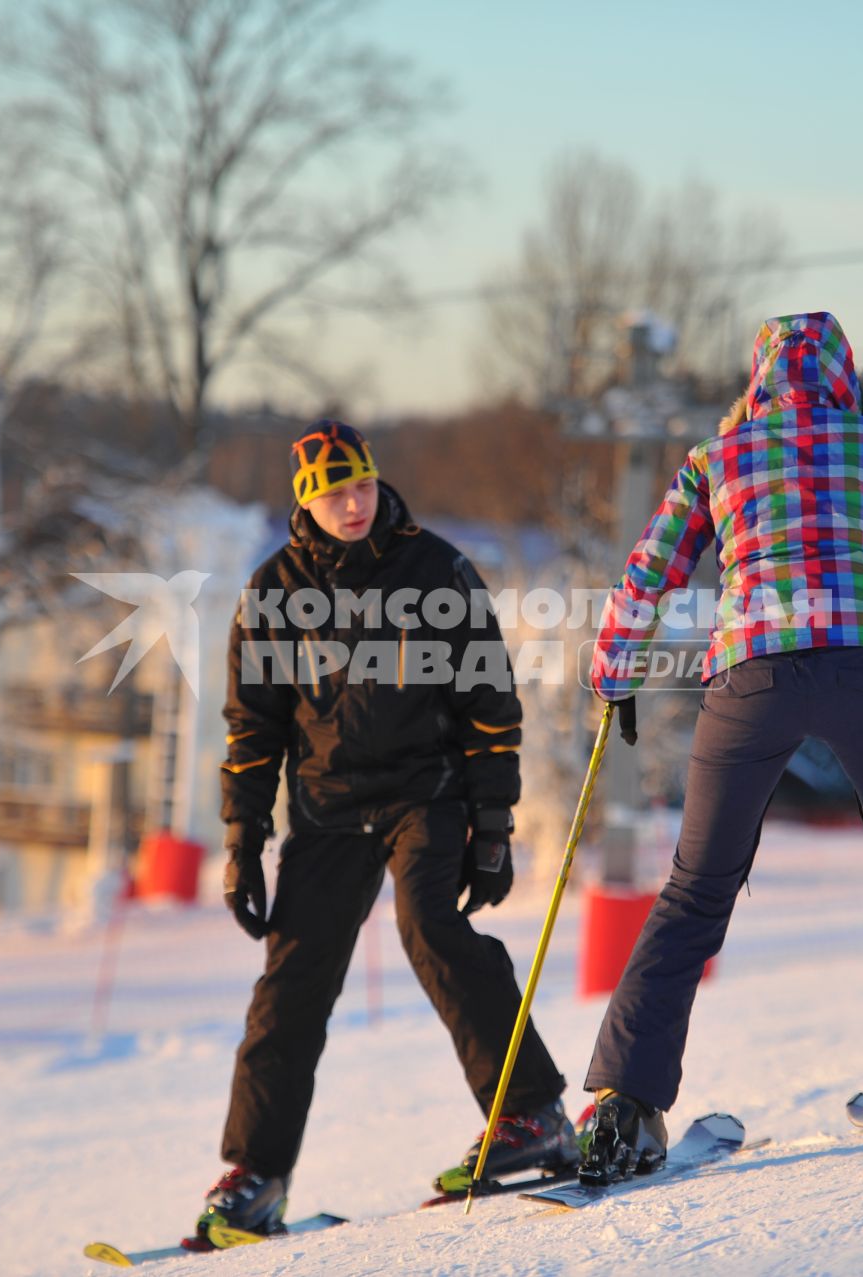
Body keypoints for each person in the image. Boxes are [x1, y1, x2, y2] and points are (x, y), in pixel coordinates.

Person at [575, 312, 863, 1183]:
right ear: (846, 379)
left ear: (756, 381)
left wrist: (613, 670)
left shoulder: (717, 458)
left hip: (754, 673)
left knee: (693, 891)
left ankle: (626, 1110)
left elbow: (648, 573)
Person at [197, 419, 573, 1242]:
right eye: (334, 492)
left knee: (432, 926)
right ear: (307, 499)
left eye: (362, 484)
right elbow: (251, 728)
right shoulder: (273, 591)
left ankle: (532, 1115)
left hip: (423, 795)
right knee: (290, 980)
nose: (354, 502)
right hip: (327, 810)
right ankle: (257, 1175)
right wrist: (240, 842)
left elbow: (490, 708)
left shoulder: (436, 569)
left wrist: (492, 825)